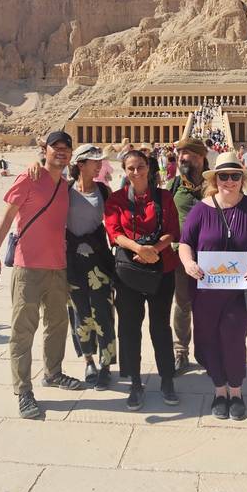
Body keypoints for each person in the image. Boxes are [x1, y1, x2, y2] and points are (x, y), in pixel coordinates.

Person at [0, 131, 82, 420]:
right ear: (46, 149)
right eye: (56, 147)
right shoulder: (29, 177)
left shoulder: (65, 185)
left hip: (57, 266)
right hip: (28, 267)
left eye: (66, 148)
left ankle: (53, 373)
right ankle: (23, 390)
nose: (61, 152)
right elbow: (6, 217)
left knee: (57, 324)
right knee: (23, 330)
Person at [179, 151, 247, 420]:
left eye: (234, 176)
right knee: (207, 341)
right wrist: (188, 263)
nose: (229, 181)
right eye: (224, 176)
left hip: (239, 293)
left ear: (242, 179)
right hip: (206, 292)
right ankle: (219, 391)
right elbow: (185, 243)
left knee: (233, 340)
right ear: (215, 179)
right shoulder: (200, 209)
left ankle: (236, 391)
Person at [105, 150, 180, 410]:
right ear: (124, 171)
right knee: (129, 326)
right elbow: (114, 232)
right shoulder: (116, 199)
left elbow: (172, 231)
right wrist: (140, 250)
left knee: (160, 326)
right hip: (129, 272)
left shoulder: (165, 196)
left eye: (139, 167)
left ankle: (167, 379)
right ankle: (135, 381)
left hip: (162, 270)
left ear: (148, 167)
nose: (135, 172)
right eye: (130, 168)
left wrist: (154, 251)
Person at [66, 145, 116, 389]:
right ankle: (88, 361)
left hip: (98, 261)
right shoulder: (64, 190)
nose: (99, 165)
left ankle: (106, 364)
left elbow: (115, 224)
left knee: (103, 312)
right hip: (72, 262)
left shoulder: (104, 191)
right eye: (94, 161)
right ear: (80, 164)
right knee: (80, 313)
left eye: (100, 161)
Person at [167, 138, 208, 374]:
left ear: (201, 157)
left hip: (211, 258)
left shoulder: (215, 183)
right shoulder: (175, 186)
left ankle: (204, 350)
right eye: (179, 153)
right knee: (182, 305)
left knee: (207, 307)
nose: (181, 158)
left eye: (187, 154)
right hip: (181, 258)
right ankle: (180, 351)